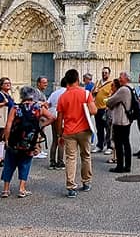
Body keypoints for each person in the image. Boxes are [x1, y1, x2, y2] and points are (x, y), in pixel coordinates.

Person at [0, 86, 53, 198]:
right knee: (25, 163)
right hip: (29, 141)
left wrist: (7, 139)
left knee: (9, 164)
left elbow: (8, 125)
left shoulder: (15, 108)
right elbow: (52, 117)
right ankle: (22, 188)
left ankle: (6, 189)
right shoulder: (38, 108)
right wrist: (40, 126)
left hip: (15, 140)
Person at [56, 68, 96, 197]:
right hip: (84, 129)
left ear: (67, 81)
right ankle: (86, 181)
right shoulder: (85, 94)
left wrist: (59, 133)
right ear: (78, 80)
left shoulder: (63, 97)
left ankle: (71, 186)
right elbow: (94, 110)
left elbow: (59, 118)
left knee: (70, 158)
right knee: (86, 156)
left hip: (69, 131)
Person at [105, 72, 134, 173]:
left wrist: (108, 101)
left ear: (125, 79)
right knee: (126, 143)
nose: (119, 79)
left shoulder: (123, 90)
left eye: (120, 77)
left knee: (119, 143)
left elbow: (110, 102)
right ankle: (127, 166)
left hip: (120, 120)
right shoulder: (131, 88)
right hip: (127, 120)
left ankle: (120, 166)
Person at [45, 76, 67, 170]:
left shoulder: (54, 93)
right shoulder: (67, 93)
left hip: (53, 115)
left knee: (54, 140)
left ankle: (52, 162)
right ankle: (60, 162)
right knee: (61, 140)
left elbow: (47, 103)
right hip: (62, 117)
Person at [91, 67, 113, 154]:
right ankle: (100, 145)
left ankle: (109, 146)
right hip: (97, 108)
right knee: (99, 128)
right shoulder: (98, 82)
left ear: (109, 74)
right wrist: (94, 92)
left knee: (108, 128)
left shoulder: (111, 83)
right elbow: (92, 93)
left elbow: (112, 95)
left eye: (106, 73)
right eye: (103, 72)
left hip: (105, 108)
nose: (104, 74)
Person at [34, 76, 50, 158]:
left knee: (41, 133)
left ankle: (39, 149)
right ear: (38, 83)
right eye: (44, 83)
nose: (46, 84)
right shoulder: (36, 92)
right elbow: (34, 103)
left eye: (46, 82)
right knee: (37, 133)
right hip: (38, 116)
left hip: (42, 116)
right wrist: (43, 103)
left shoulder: (41, 92)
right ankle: (36, 151)